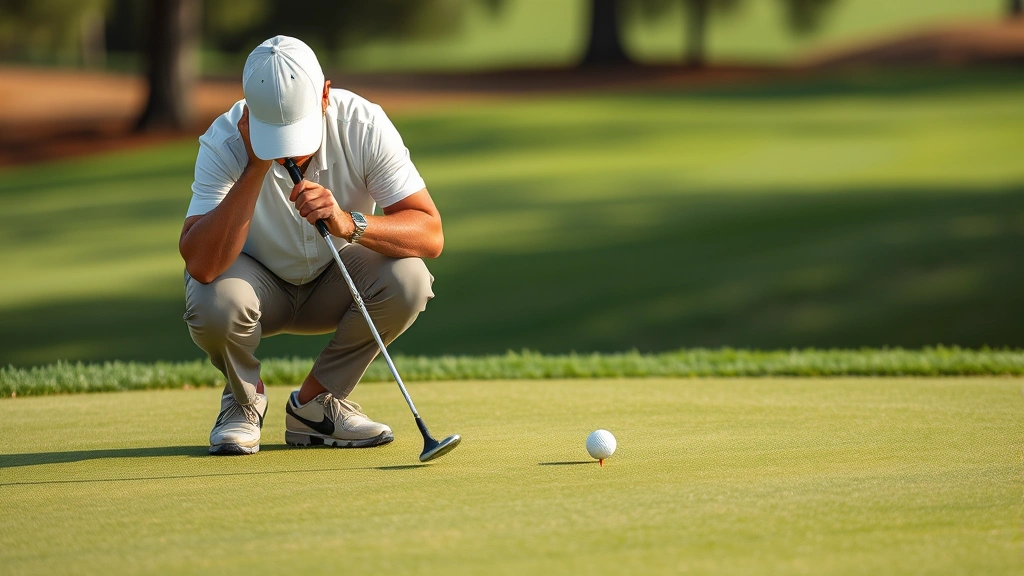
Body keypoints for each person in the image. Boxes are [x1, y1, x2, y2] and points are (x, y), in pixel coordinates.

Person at [179, 36, 442, 455]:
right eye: (274, 134)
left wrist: (346, 222)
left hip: (337, 280)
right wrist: (255, 166)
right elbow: (202, 265)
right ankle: (243, 402)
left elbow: (429, 233)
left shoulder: (363, 124)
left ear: (325, 94)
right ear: (249, 112)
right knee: (212, 300)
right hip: (255, 285)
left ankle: (317, 405)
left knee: (410, 279)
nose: (291, 149)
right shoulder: (224, 140)